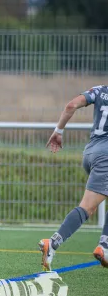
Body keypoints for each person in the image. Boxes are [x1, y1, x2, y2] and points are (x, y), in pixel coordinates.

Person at [40, 85, 108, 271]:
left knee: (91, 205)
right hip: (106, 158)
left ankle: (105, 246)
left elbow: (71, 106)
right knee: (87, 207)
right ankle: (52, 243)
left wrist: (58, 131)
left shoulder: (100, 90)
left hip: (91, 153)